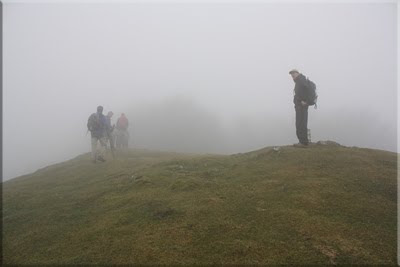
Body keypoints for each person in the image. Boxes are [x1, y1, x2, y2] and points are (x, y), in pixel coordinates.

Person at [289, 69, 313, 147]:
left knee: (300, 123)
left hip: (301, 106)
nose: (292, 76)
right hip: (300, 106)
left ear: (297, 73)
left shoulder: (301, 81)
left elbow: (306, 90)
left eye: (293, 74)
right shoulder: (300, 80)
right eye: (291, 75)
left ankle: (303, 142)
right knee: (301, 123)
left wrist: (305, 101)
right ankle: (303, 141)